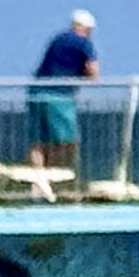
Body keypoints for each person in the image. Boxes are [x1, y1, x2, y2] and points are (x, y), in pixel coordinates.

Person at [27, 9, 99, 171]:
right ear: (86, 28)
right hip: (59, 95)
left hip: (36, 92)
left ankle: (38, 180)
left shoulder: (57, 39)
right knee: (68, 141)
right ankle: (51, 174)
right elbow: (93, 72)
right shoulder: (83, 42)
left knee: (39, 140)